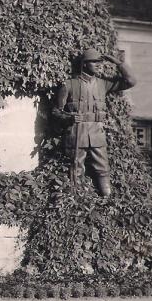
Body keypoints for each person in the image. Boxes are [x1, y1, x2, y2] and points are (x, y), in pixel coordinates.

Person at [52, 47, 136, 196]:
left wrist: (117, 62)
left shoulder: (103, 84)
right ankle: (76, 201)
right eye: (94, 62)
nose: (99, 65)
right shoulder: (69, 84)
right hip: (77, 132)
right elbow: (56, 111)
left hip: (97, 133)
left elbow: (131, 81)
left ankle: (107, 201)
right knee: (76, 170)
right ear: (84, 64)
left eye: (100, 62)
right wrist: (68, 117)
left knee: (103, 169)